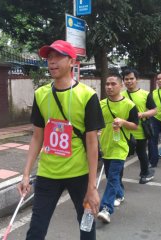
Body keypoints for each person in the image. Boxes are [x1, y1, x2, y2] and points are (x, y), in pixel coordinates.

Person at [18, 40, 105, 240]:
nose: (52, 62)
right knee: (36, 230)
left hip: (79, 173)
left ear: (72, 61)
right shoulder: (41, 94)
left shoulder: (87, 96)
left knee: (86, 224)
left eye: (58, 57)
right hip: (48, 172)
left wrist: (92, 187)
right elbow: (37, 137)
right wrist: (25, 175)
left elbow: (92, 144)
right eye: (49, 57)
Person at [97, 74, 138, 223]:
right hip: (106, 146)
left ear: (121, 86)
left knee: (113, 176)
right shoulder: (101, 104)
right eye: (107, 84)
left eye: (113, 84)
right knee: (110, 176)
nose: (109, 87)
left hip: (120, 147)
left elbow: (135, 125)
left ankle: (106, 209)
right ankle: (120, 194)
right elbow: (96, 125)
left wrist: (123, 122)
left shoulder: (129, 105)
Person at [121, 68, 157, 184]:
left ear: (137, 80)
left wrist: (142, 114)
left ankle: (144, 174)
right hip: (125, 131)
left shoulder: (145, 94)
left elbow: (154, 111)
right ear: (123, 81)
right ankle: (118, 178)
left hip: (140, 131)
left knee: (141, 153)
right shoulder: (121, 95)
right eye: (126, 79)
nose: (129, 81)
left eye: (132, 78)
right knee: (122, 154)